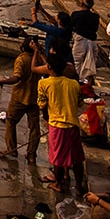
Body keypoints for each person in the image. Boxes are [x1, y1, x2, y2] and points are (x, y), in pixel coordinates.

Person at [37, 55, 88, 196]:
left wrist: (46, 114)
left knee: (57, 158)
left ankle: (58, 183)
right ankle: (78, 186)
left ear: (49, 67)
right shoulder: (74, 84)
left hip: (56, 125)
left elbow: (41, 104)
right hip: (72, 125)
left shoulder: (44, 84)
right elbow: (79, 103)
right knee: (77, 158)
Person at [0, 36, 41, 161]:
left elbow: (17, 77)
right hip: (34, 97)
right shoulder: (38, 59)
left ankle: (11, 149)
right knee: (34, 127)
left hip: (20, 96)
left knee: (10, 121)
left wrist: (3, 81)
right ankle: (31, 154)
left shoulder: (21, 60)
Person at [69, 0, 102, 86]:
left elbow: (70, 26)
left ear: (82, 4)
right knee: (90, 63)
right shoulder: (95, 16)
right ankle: (86, 82)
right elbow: (95, 28)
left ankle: (78, 81)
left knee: (77, 62)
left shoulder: (76, 14)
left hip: (80, 40)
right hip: (92, 41)